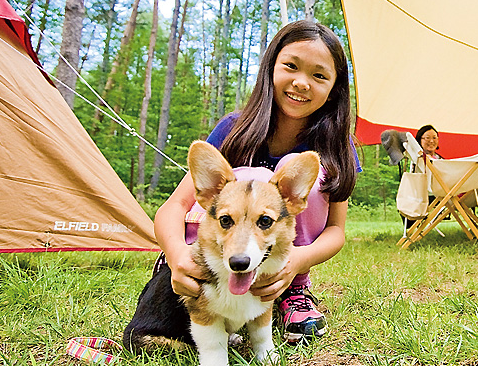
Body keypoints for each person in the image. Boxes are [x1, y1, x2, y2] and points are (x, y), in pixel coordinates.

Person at [153, 20, 359, 343]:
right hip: (208, 264)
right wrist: (177, 254)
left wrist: (295, 263)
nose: (301, 83)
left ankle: (291, 292)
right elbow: (174, 206)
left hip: (278, 261)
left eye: (319, 75)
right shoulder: (234, 130)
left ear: (335, 87)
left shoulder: (337, 148)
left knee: (305, 170)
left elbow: (336, 231)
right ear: (270, 67)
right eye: (291, 66)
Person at [416, 124, 478, 235]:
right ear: (420, 140)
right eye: (427, 138)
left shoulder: (438, 158)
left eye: (435, 137)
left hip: (457, 190)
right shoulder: (424, 160)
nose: (431, 141)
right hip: (451, 194)